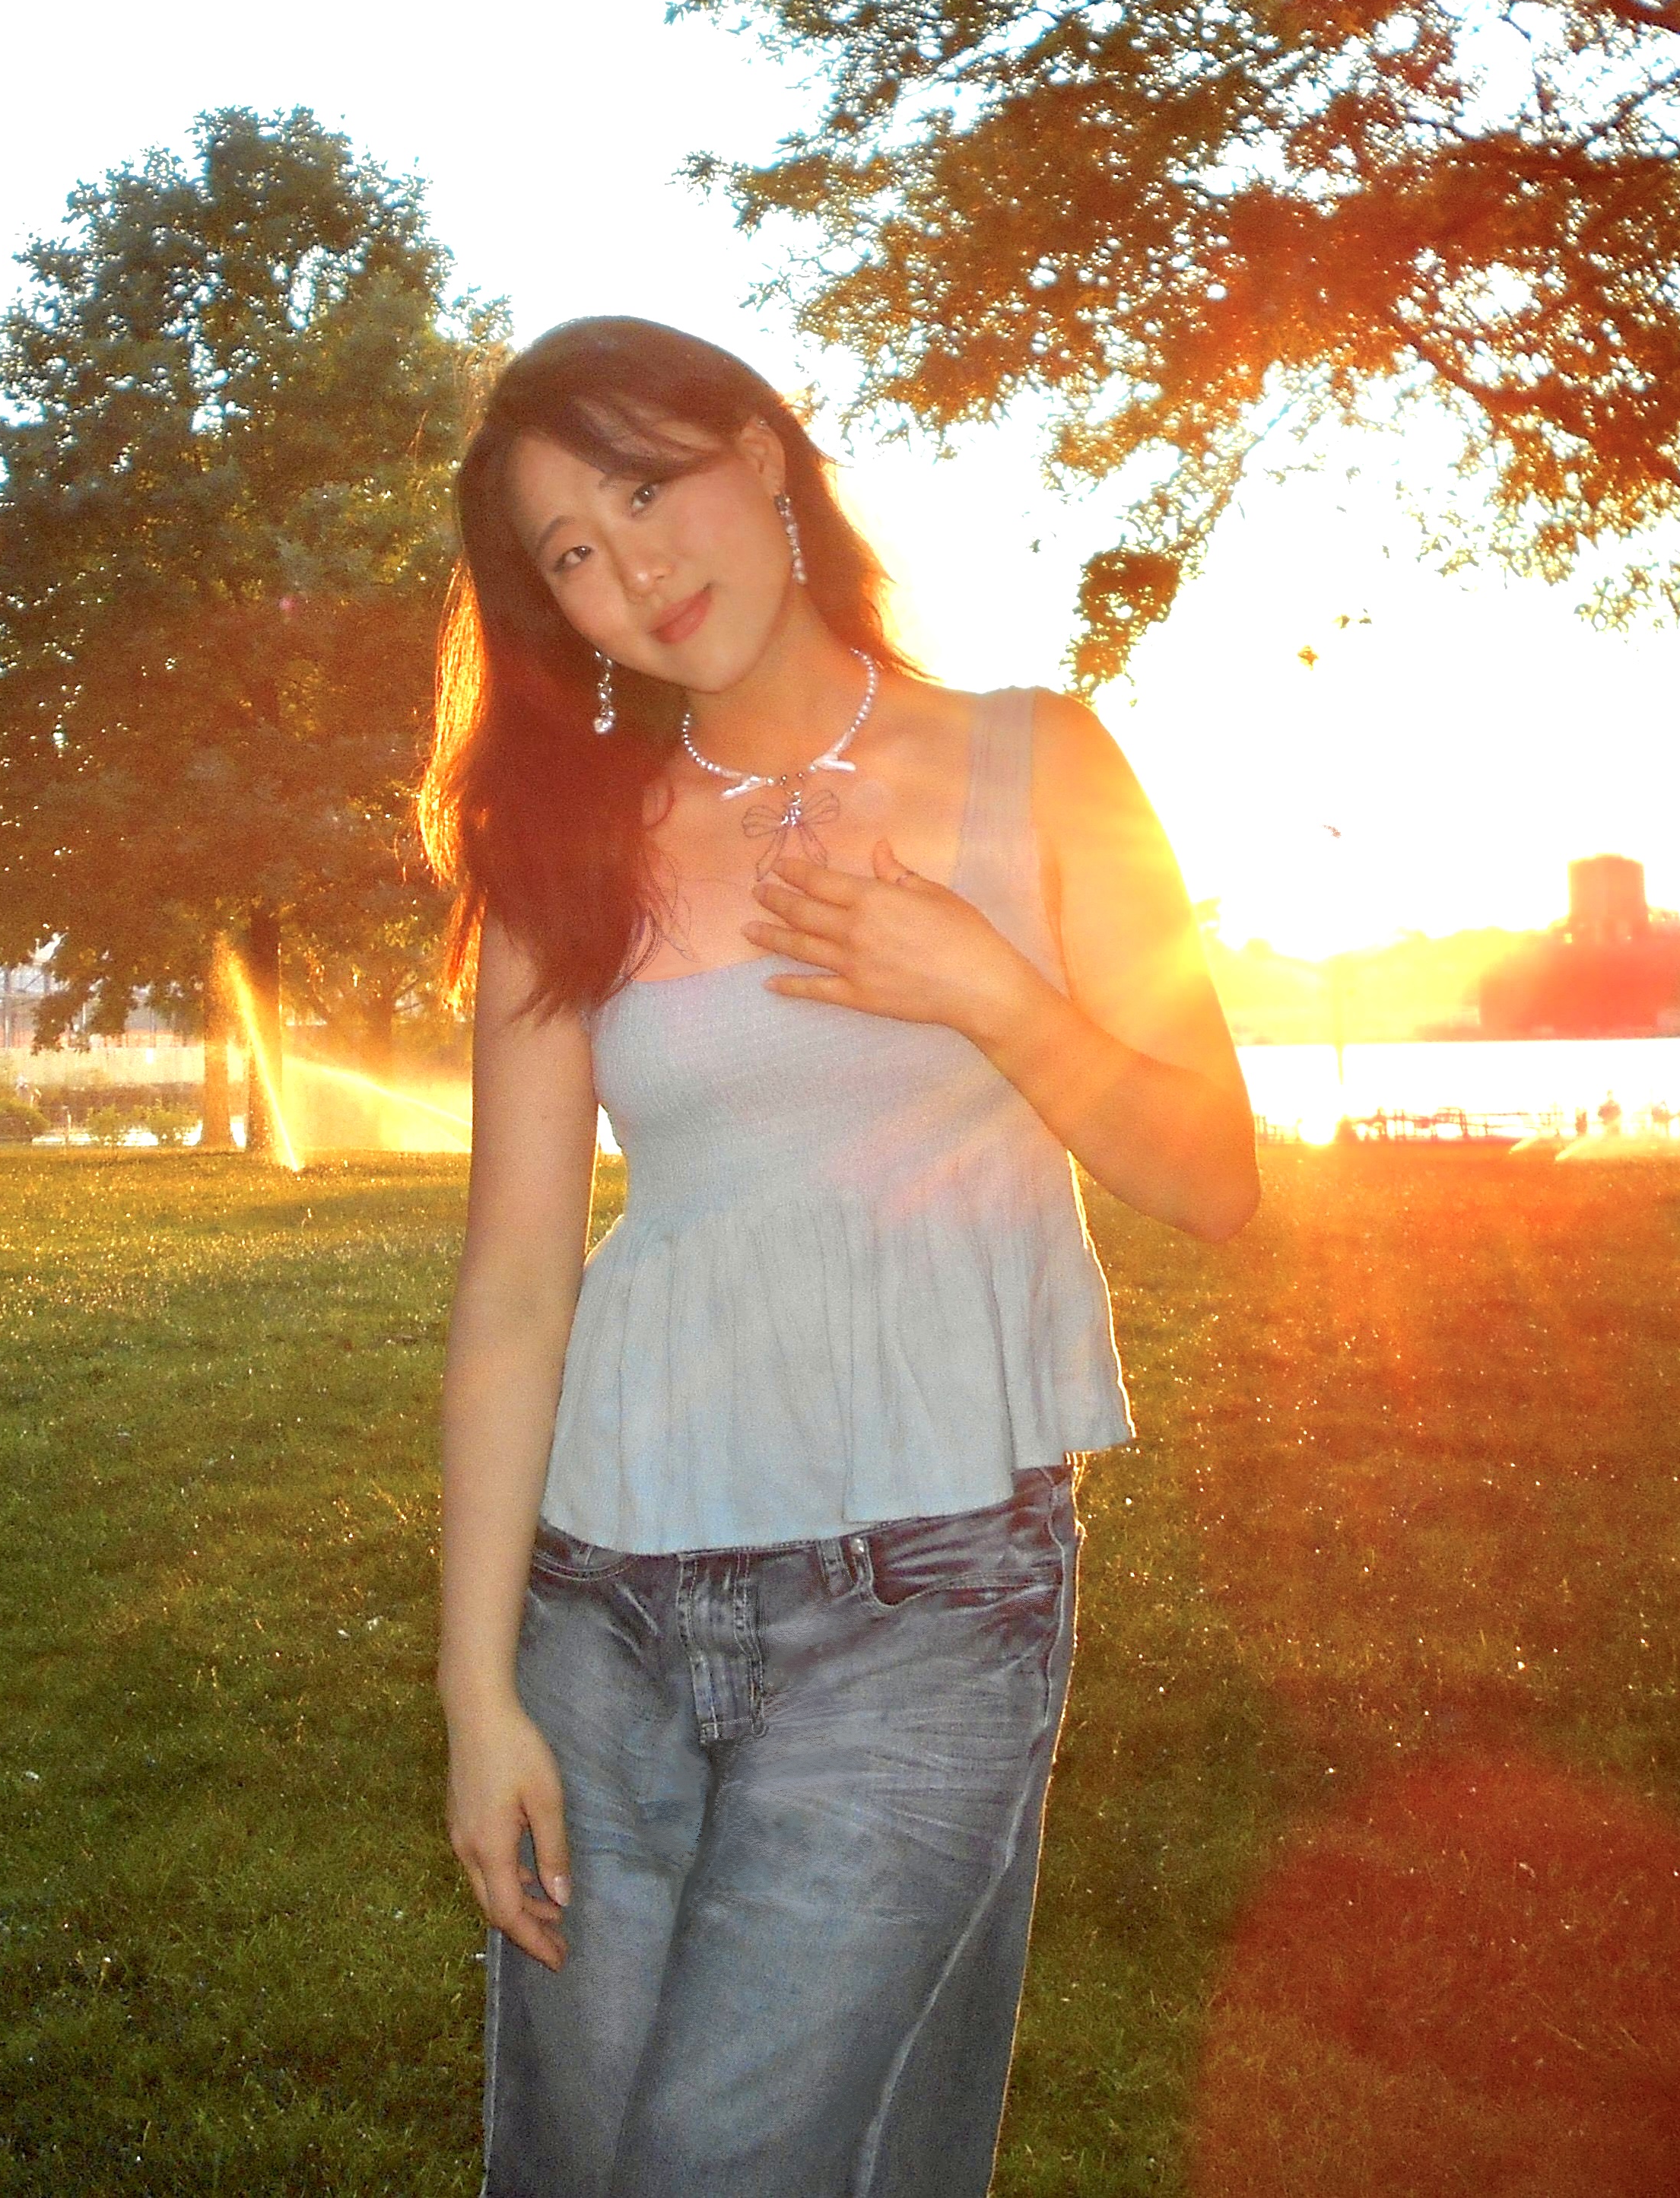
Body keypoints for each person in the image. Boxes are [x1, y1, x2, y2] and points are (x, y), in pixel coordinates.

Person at [418, 319, 1259, 2196]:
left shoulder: (1043, 760)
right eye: (568, 549)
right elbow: (516, 1283)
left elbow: (1210, 1171)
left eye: (646, 487)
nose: (632, 569)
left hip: (925, 1597)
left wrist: (981, 983)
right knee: (566, 2168)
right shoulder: (567, 839)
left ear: (764, 455)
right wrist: (481, 1694)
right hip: (604, 1607)